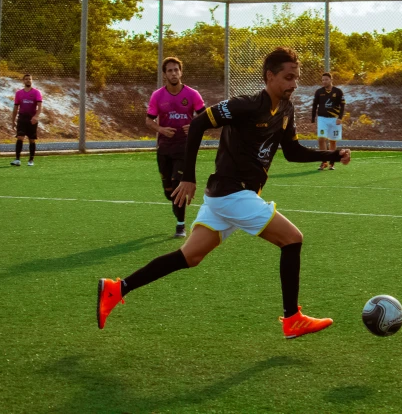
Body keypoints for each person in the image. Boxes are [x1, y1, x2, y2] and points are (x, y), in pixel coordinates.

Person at [97, 47, 351, 339]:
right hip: (234, 193)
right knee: (292, 240)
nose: (294, 84)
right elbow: (198, 123)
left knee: (189, 256)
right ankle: (292, 318)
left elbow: (292, 152)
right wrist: (188, 177)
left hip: (227, 197)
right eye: (288, 77)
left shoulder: (285, 109)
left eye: (297, 78)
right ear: (270, 76)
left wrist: (331, 156)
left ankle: (117, 289)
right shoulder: (246, 105)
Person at [145, 57, 206, 238]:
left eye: (176, 70)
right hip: (164, 149)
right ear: (165, 75)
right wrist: (160, 129)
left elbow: (206, 117)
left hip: (184, 148)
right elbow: (149, 120)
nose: (173, 73)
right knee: (169, 192)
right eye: (169, 70)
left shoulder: (192, 94)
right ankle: (176, 209)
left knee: (177, 186)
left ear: (181, 72)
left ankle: (181, 226)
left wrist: (194, 125)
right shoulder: (157, 96)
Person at [311, 72, 346, 170]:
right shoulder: (319, 92)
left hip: (334, 120)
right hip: (322, 119)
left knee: (332, 141)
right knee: (321, 139)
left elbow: (342, 106)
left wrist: (340, 118)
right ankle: (324, 161)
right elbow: (314, 105)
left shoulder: (338, 91)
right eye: (322, 80)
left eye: (326, 79)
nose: (324, 82)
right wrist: (313, 118)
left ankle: (332, 162)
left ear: (331, 80)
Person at [10, 73, 42, 167]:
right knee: (20, 137)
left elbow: (40, 107)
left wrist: (36, 116)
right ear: (23, 81)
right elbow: (15, 108)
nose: (28, 80)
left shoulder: (36, 92)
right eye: (26, 79)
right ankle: (17, 159)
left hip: (32, 118)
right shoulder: (19, 93)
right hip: (22, 118)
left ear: (32, 81)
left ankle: (31, 160)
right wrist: (13, 120)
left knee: (32, 139)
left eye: (30, 79)